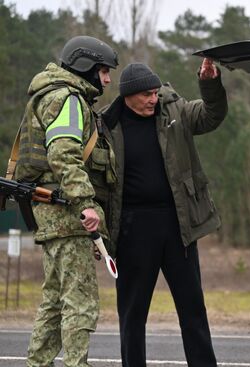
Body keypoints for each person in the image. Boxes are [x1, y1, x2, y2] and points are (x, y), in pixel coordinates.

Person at [100, 60, 227, 366]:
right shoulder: (107, 124)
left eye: (155, 93)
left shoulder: (175, 111)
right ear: (128, 95)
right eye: (146, 95)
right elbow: (97, 183)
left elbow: (212, 115)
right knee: (132, 315)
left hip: (177, 226)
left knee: (193, 310)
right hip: (132, 229)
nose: (153, 100)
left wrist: (209, 84)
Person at [15, 35, 118, 367]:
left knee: (55, 302)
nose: (107, 79)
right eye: (103, 71)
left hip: (53, 213)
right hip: (66, 213)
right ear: (85, 66)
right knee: (80, 302)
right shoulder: (68, 99)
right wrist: (86, 203)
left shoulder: (51, 95)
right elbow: (63, 154)